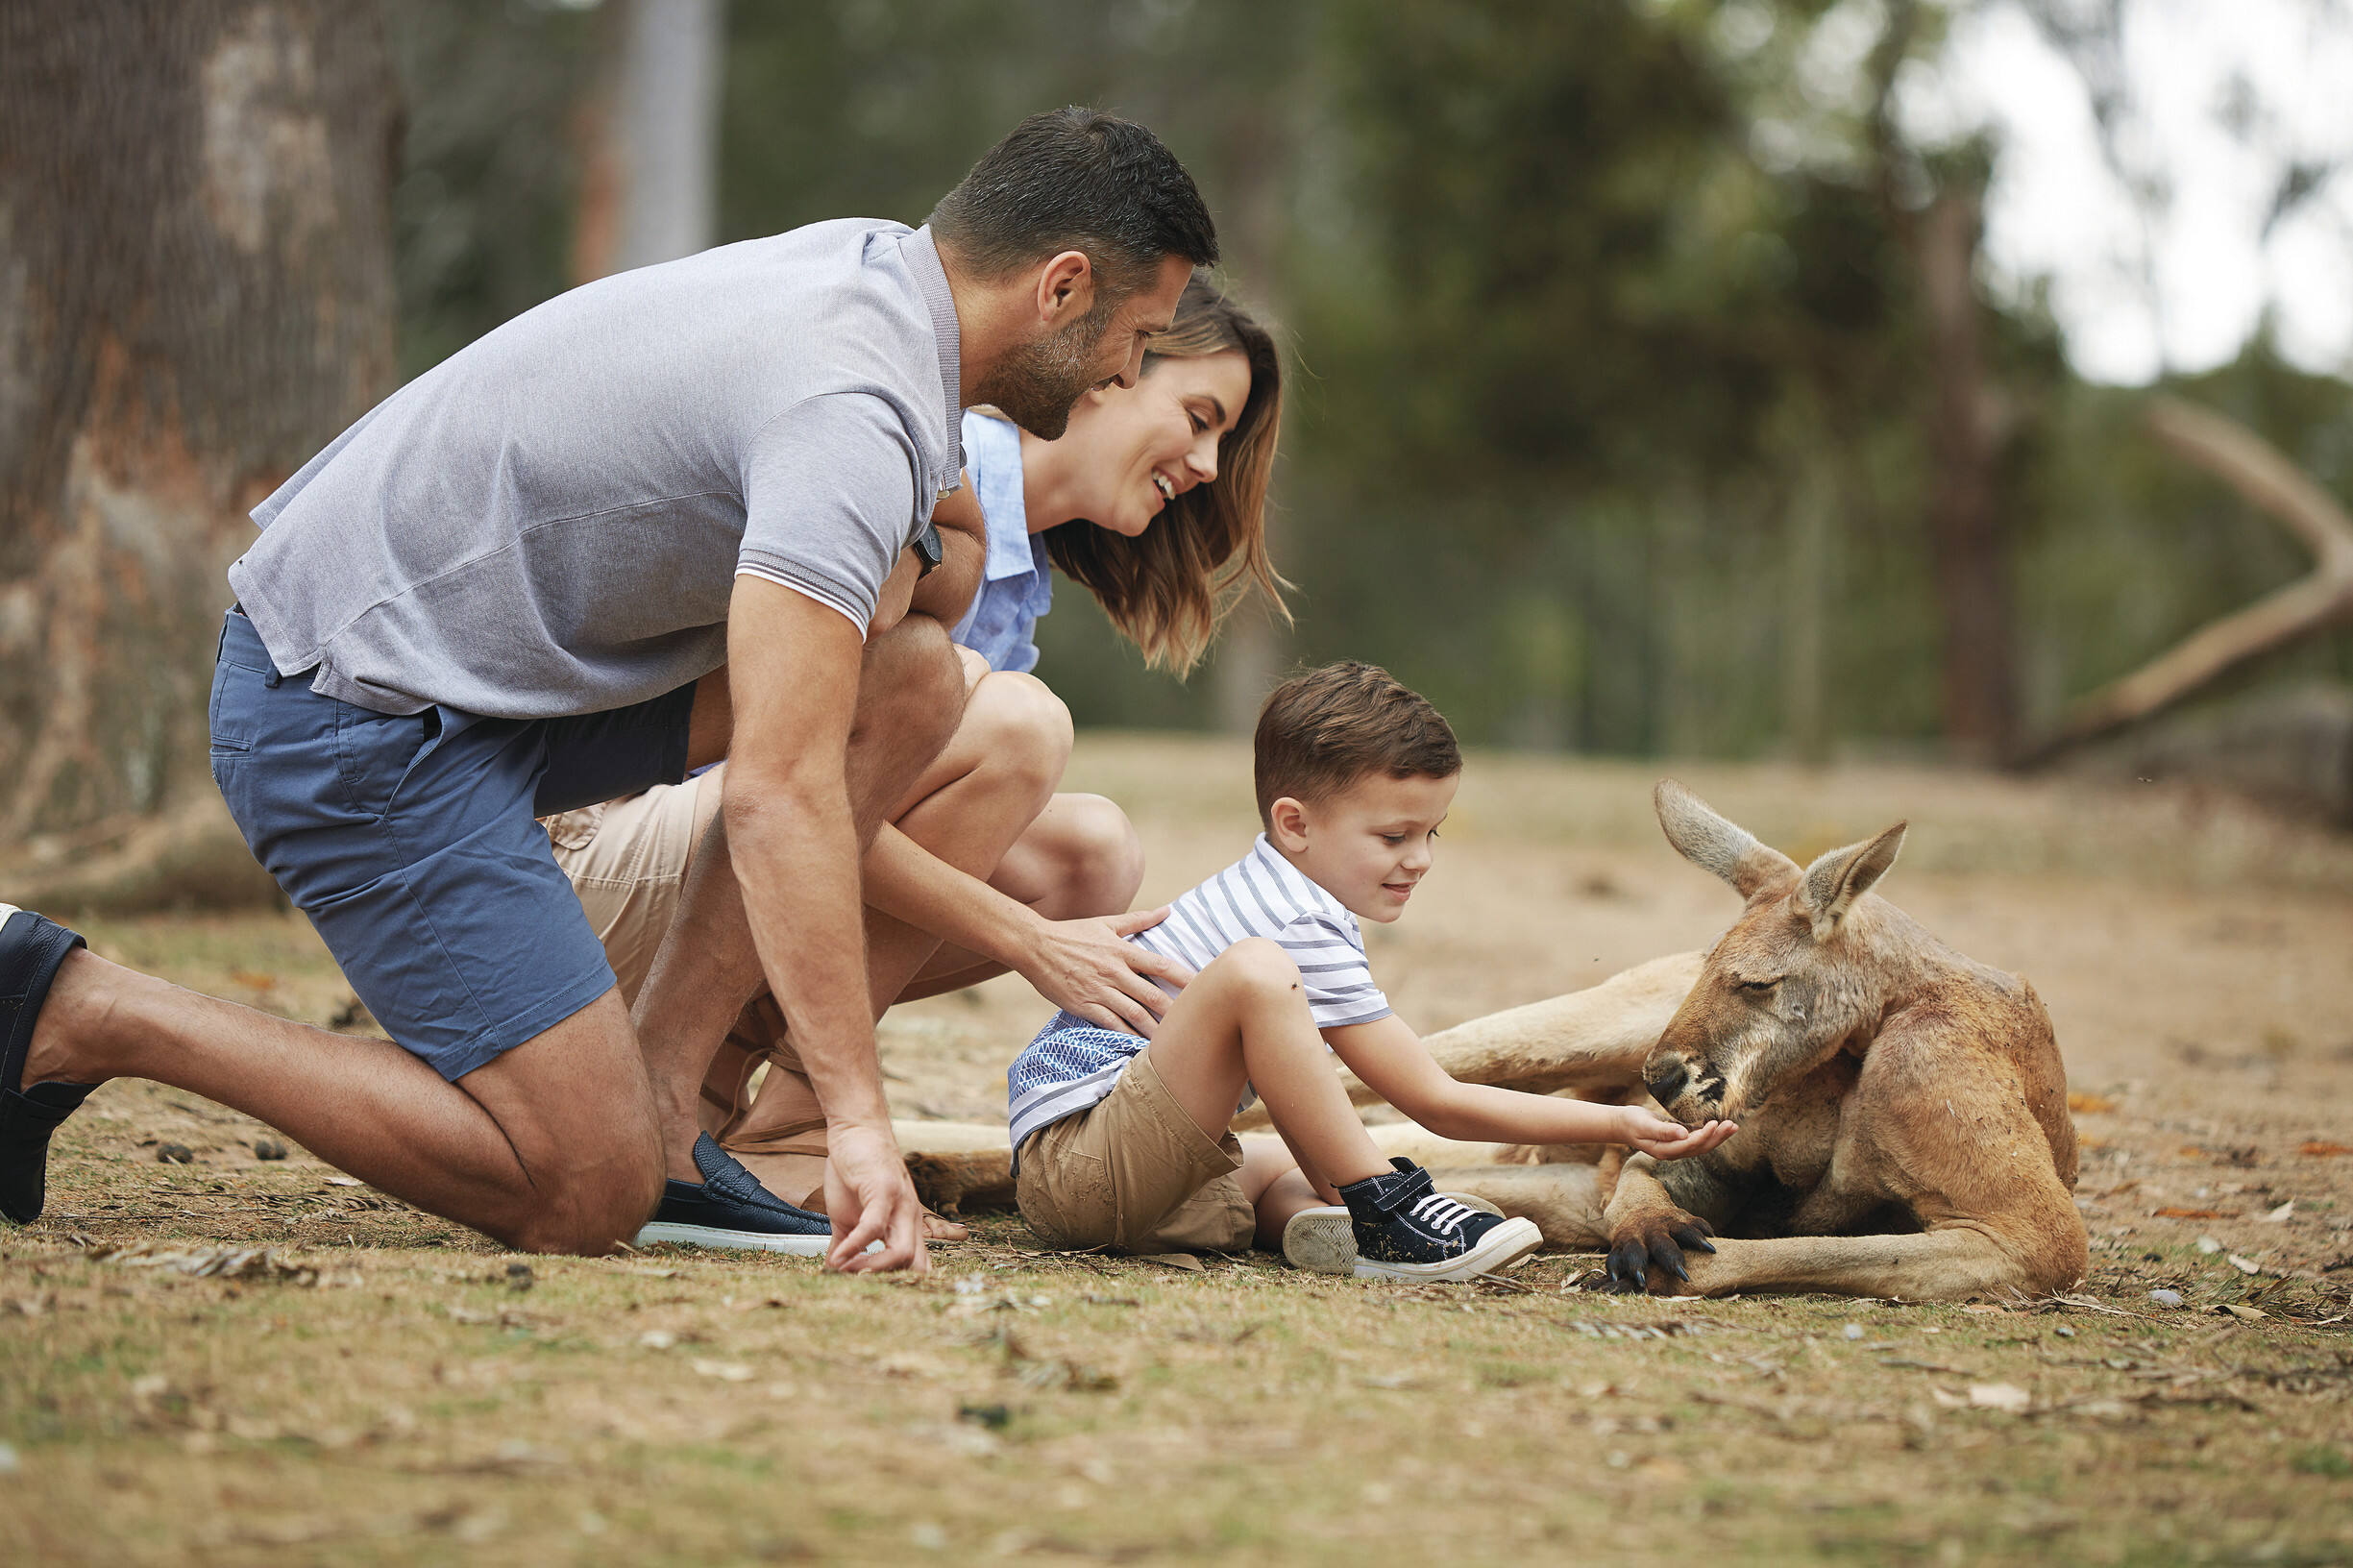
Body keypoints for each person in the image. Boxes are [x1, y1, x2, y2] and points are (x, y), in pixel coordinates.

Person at [0, 110, 1216, 1274]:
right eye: (1139, 338)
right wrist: (855, 1119)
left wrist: (901, 567)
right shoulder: (850, 401)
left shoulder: (881, 290)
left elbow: (926, 606)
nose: (1128, 369)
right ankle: (83, 1007)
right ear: (1059, 286)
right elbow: (780, 794)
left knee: (901, 681)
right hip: (345, 711)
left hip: (499, 699)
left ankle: (671, 1109)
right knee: (583, 1191)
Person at [546, 275, 1286, 1237]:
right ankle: (761, 1103)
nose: (1204, 463)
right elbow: (778, 794)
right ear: (1112, 369)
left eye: (1220, 439)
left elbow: (852, 811)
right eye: (1197, 417)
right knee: (1019, 731)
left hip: (715, 871)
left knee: (1089, 854)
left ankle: (769, 1125)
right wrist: (1024, 941)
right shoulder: (934, 469)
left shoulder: (1018, 572)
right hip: (597, 867)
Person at [1005, 663, 1737, 1280]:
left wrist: (1619, 1122)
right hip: (1083, 1164)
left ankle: (1322, 1222)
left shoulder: (1283, 896)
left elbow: (1380, 1103)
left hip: (1133, 1175)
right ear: (1294, 825)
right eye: (1393, 836)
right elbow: (1435, 1101)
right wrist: (1617, 1121)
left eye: (1430, 833)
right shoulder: (1293, 922)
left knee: (1278, 1168)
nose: (1418, 858)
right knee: (1255, 974)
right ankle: (1387, 1219)